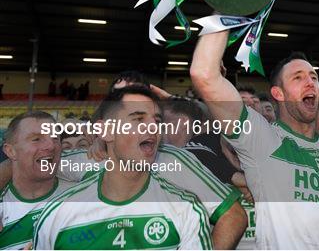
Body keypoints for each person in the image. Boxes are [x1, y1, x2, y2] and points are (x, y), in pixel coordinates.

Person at [190, 29, 319, 250]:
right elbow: (203, 73)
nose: (310, 82)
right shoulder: (262, 138)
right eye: (298, 77)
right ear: (278, 94)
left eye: (314, 77)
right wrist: (228, 4)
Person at [33, 86, 213, 250]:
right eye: (138, 119)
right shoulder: (56, 213)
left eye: (157, 121)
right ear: (106, 132)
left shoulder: (186, 208)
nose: (153, 127)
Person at [0, 111, 74, 249]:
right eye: (36, 139)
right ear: (10, 151)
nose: (51, 146)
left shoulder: (82, 195)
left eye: (55, 138)